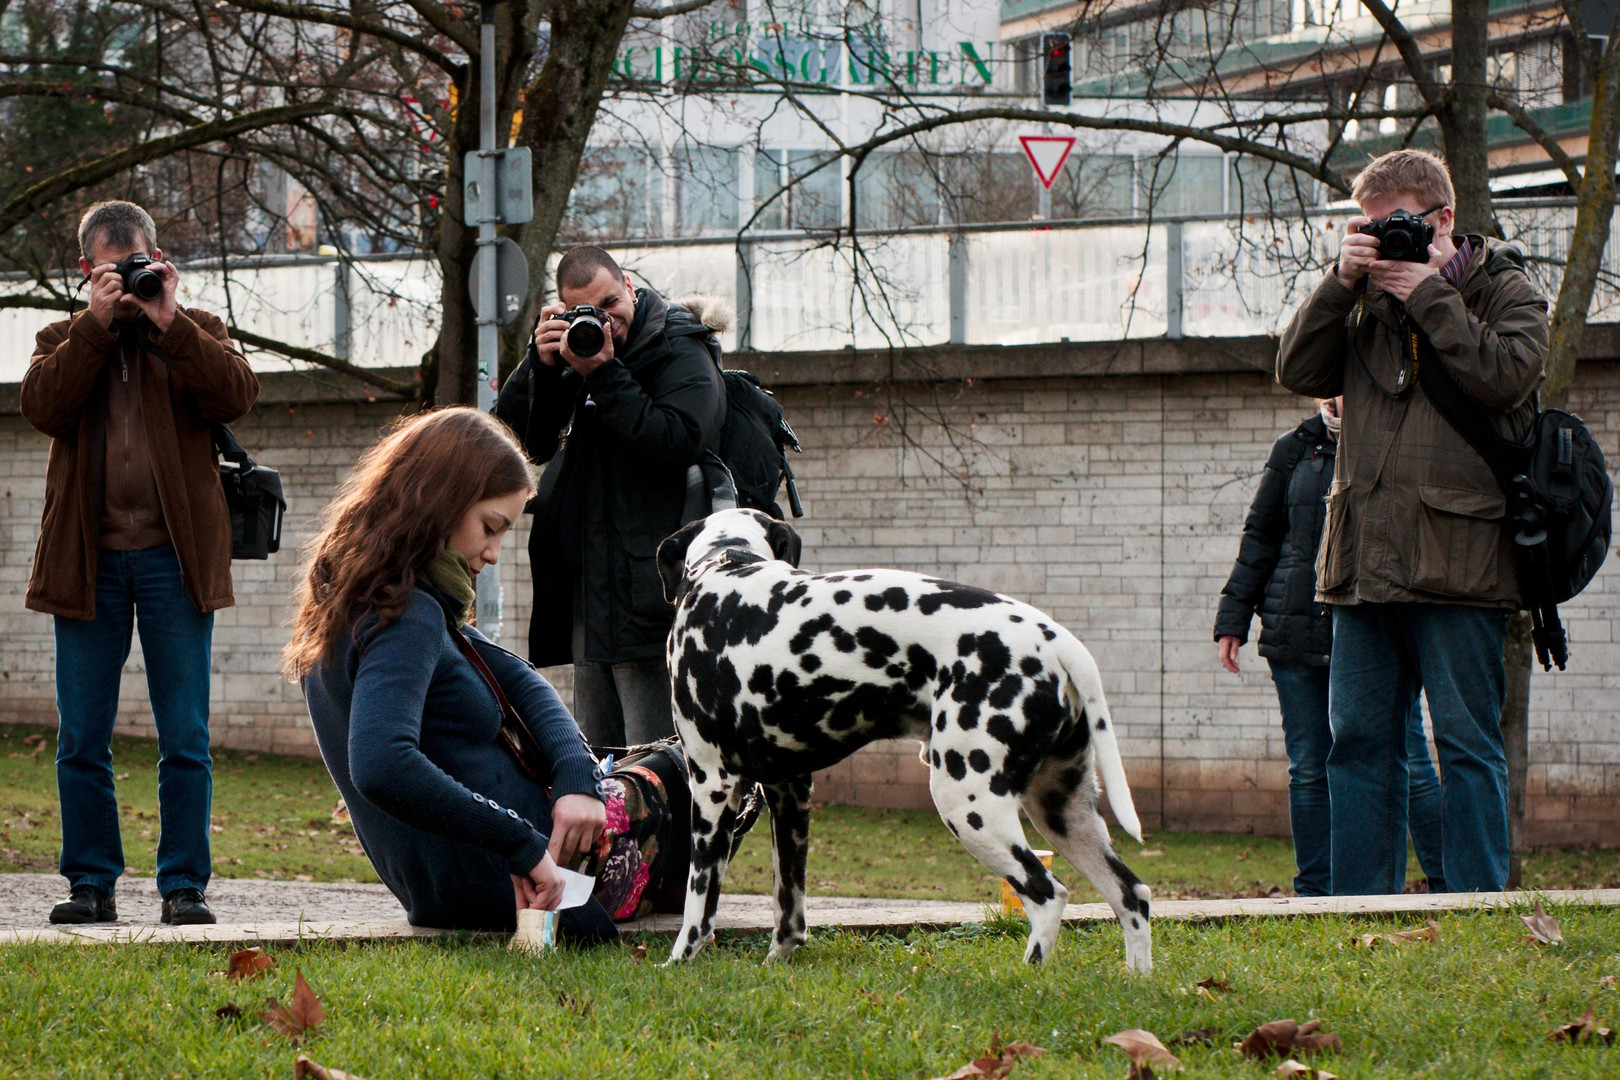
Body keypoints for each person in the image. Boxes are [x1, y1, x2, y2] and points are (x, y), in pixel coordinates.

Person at [1277, 149, 1548, 895]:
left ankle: (1475, 902)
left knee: (1464, 744)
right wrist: (1340, 282)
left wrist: (1430, 294)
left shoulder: (1505, 289)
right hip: (1364, 562)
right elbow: (1297, 371)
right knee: (1357, 743)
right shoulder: (1360, 299)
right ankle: (1356, 904)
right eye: (1371, 227)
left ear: (1444, 219)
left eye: (1399, 223)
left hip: (1461, 563)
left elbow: (1506, 377)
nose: (1385, 238)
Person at [20, 200, 259, 926]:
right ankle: (91, 882)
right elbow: (42, 407)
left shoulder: (194, 332)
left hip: (172, 564)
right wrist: (95, 326)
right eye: (109, 269)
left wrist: (171, 321)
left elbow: (238, 394)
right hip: (85, 564)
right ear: (85, 271)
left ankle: (183, 885)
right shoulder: (61, 337)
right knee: (82, 736)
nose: (125, 280)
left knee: (184, 735)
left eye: (138, 265)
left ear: (159, 261)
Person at [288, 408, 616, 934]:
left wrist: (577, 777)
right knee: (704, 795)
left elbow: (519, 678)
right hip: (515, 877)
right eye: (490, 528)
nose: (492, 553)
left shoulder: (386, 601)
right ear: (439, 501)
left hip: (483, 874)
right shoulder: (406, 614)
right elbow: (381, 765)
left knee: (663, 790)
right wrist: (521, 845)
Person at [495, 246, 727, 750]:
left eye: (611, 303)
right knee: (603, 767)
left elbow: (678, 440)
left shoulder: (680, 347)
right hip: (591, 602)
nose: (605, 321)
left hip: (655, 600)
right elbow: (516, 442)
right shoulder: (574, 354)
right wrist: (539, 364)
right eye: (588, 311)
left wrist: (602, 372)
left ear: (628, 284)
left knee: (658, 767)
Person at [1215, 397, 1446, 896]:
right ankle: (1315, 894)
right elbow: (1260, 537)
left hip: (1374, 632)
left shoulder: (1398, 441)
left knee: (1410, 757)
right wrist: (1232, 618)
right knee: (1308, 765)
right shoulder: (1294, 450)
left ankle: (1446, 884)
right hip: (1295, 631)